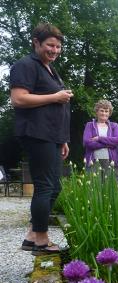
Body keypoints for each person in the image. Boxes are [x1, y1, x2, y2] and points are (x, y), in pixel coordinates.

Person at [11, 22, 72, 254]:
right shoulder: (25, 65)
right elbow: (18, 99)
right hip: (36, 134)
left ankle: (31, 235)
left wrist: (62, 139)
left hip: (52, 137)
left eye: (58, 47)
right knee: (45, 186)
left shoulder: (49, 69)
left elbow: (56, 109)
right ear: (36, 43)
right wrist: (55, 96)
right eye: (50, 45)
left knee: (54, 187)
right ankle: (41, 241)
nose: (54, 50)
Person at [83, 100, 118, 172]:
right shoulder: (89, 125)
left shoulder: (114, 126)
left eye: (106, 111)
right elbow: (87, 143)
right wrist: (108, 144)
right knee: (94, 183)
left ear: (109, 113)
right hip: (93, 161)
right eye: (102, 110)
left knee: (110, 183)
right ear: (97, 112)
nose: (104, 113)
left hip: (111, 162)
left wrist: (99, 138)